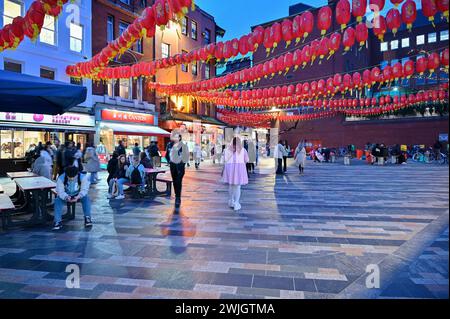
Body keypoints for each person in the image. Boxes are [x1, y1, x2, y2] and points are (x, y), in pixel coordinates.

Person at [53, 165, 92, 230]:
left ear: (77, 174)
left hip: (78, 195)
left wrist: (78, 197)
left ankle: (87, 218)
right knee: (57, 200)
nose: (71, 179)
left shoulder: (83, 177)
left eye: (73, 177)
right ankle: (57, 221)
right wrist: (66, 197)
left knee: (86, 198)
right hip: (66, 195)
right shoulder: (61, 178)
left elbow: (84, 190)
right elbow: (60, 191)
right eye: (69, 177)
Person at [222, 137, 249, 211]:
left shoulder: (227, 150)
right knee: (237, 187)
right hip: (239, 169)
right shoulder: (243, 150)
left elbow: (224, 159)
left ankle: (231, 201)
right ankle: (236, 203)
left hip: (229, 169)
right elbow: (247, 160)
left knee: (231, 185)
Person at [169, 132, 189, 205]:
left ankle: (178, 197)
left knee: (178, 181)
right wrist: (169, 161)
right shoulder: (170, 145)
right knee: (174, 181)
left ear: (180, 138)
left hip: (180, 166)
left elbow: (186, 156)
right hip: (172, 165)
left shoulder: (184, 146)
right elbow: (167, 155)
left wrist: (182, 163)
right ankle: (176, 195)